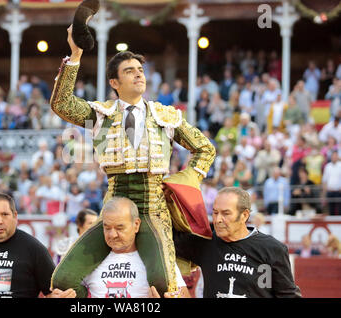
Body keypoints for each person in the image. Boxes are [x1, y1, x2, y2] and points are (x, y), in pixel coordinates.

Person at [50, 24, 215, 297]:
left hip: (154, 210)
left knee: (163, 285)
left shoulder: (166, 115)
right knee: (63, 279)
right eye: (129, 71)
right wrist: (76, 54)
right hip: (113, 209)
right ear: (114, 83)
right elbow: (62, 105)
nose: (138, 74)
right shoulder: (100, 115)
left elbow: (205, 149)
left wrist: (184, 181)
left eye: (140, 70)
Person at [173, 187, 301, 298]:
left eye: (226, 213)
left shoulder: (272, 248)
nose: (217, 219)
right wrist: (168, 196)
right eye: (215, 212)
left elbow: (287, 295)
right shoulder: (205, 242)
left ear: (244, 215)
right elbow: (165, 238)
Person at [80, 197, 189, 298]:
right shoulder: (87, 260)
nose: (112, 234)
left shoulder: (159, 259)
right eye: (107, 228)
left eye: (120, 228)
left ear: (136, 225)